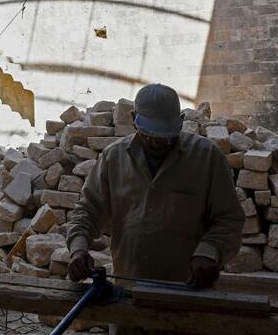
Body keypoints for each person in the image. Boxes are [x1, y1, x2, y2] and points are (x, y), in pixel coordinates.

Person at [66, 84, 245, 295]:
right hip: (129, 289)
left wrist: (209, 252)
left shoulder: (207, 157)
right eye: (150, 135)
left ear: (180, 121)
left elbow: (229, 219)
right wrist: (78, 250)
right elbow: (87, 211)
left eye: (167, 136)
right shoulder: (113, 158)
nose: (160, 143)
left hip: (189, 292)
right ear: (133, 119)